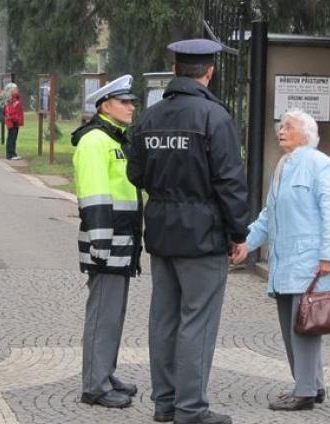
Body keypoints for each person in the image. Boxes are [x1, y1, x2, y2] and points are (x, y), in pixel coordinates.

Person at [127, 39, 249, 424]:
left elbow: (135, 173)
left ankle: (165, 404)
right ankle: (191, 409)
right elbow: (230, 181)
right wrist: (239, 232)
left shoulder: (149, 118)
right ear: (208, 73)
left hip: (162, 232)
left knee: (163, 319)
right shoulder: (215, 118)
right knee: (197, 319)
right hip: (203, 236)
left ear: (175, 70)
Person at [232, 109, 330, 412]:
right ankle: (312, 385)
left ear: (306, 133)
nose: (281, 131)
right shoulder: (283, 165)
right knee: (292, 326)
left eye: (289, 127)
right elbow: (269, 214)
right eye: (280, 126)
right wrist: (247, 242)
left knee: (304, 327)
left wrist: (329, 257)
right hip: (284, 263)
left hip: (311, 263)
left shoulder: (321, 164)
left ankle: (304, 391)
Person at [70, 75, 143, 409]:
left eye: (132, 101)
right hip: (108, 242)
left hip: (121, 240)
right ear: (105, 105)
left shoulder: (115, 138)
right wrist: (101, 244)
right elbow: (95, 196)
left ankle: (105, 373)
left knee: (113, 314)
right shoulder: (94, 141)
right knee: (103, 314)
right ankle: (95, 386)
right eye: (124, 101)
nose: (132, 107)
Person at [3, 83, 23, 160]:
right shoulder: (10, 99)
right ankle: (10, 154)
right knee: (11, 137)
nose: (17, 90)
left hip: (15, 120)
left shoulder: (16, 98)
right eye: (15, 89)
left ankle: (13, 153)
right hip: (12, 121)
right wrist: (14, 118)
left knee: (14, 137)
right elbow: (10, 110)